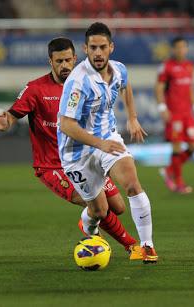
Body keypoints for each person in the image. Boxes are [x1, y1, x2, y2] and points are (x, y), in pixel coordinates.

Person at [0, 37, 142, 260]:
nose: (64, 66)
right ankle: (131, 246)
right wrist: (6, 121)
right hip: (52, 166)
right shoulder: (35, 89)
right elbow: (13, 114)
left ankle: (86, 221)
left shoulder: (85, 83)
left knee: (118, 206)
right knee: (99, 206)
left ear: (75, 59)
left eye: (68, 60)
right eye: (58, 61)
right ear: (50, 62)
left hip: (86, 159)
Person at [57, 23, 158, 263]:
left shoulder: (119, 69)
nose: (98, 52)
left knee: (132, 184)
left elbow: (126, 86)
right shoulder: (78, 81)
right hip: (76, 153)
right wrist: (98, 144)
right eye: (93, 47)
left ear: (111, 47)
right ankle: (88, 226)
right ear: (85, 49)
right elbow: (66, 125)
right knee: (100, 211)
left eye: (103, 47)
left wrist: (132, 117)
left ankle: (147, 246)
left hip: (109, 139)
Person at [155, 37, 194, 194]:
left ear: (186, 49)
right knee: (176, 145)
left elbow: (190, 87)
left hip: (187, 113)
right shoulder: (166, 67)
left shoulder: (189, 66)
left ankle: (169, 170)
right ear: (173, 50)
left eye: (183, 47)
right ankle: (179, 183)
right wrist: (162, 108)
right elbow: (159, 88)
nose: (181, 50)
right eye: (178, 47)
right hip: (174, 114)